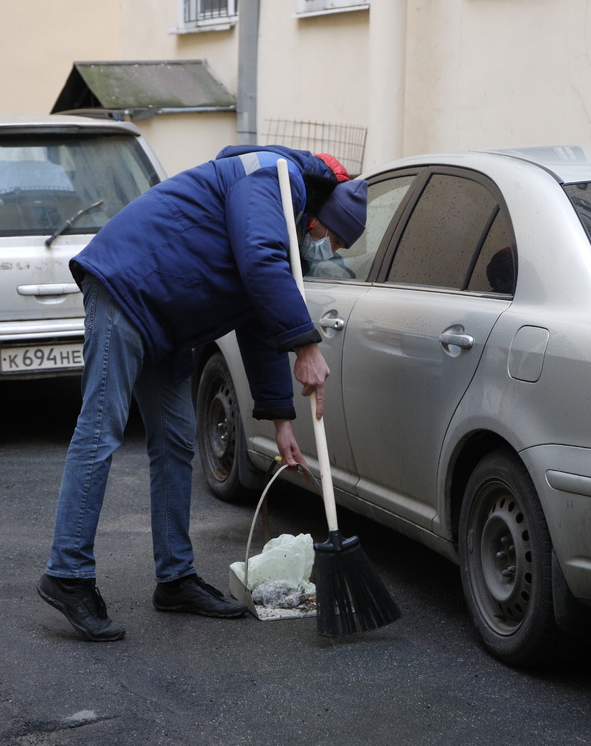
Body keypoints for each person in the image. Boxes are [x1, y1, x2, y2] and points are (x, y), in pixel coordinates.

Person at [38, 145, 368, 642]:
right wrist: (306, 345)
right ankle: (67, 574)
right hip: (127, 287)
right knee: (100, 431)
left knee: (175, 443)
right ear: (322, 209)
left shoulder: (285, 208)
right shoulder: (273, 179)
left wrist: (281, 421)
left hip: (165, 321)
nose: (325, 244)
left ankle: (174, 578)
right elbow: (259, 261)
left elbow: (258, 319)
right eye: (333, 234)